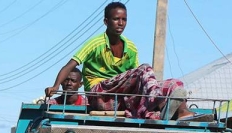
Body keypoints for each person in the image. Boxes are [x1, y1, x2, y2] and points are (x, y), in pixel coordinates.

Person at [45, 2, 194, 120]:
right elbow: (69, 65)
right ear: (106, 21)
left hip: (117, 99)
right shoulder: (95, 44)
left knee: (174, 84)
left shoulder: (131, 48)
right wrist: (55, 86)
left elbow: (138, 81)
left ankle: (182, 113)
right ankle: (155, 101)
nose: (121, 23)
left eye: (124, 19)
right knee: (145, 69)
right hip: (99, 94)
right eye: (116, 19)